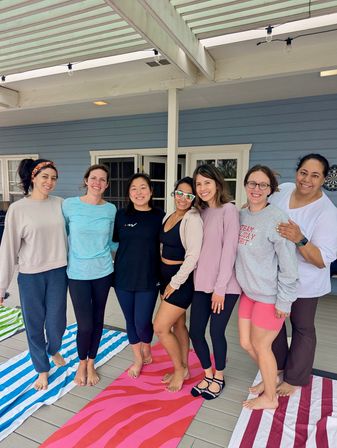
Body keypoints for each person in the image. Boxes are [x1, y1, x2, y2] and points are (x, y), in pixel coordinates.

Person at [270, 153, 337, 396]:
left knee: (301, 327)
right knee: (274, 325)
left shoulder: (327, 212)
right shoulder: (284, 190)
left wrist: (300, 239)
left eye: (315, 175)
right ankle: (277, 366)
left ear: (323, 179)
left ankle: (295, 377)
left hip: (305, 283)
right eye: (303, 172)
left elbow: (321, 260)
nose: (307, 179)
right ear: (297, 172)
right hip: (274, 277)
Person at [0, 159, 68, 390]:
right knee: (34, 324)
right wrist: (1, 287)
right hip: (30, 276)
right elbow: (8, 249)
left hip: (59, 271)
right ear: (33, 177)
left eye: (53, 178)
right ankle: (42, 368)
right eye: (45, 176)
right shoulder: (18, 209)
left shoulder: (61, 204)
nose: (50, 182)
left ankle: (53, 349)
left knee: (57, 322)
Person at [235, 165, 298, 410]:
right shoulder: (242, 214)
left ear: (270, 189)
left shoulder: (277, 219)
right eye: (252, 183)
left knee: (262, 345)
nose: (256, 189)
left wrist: (284, 301)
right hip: (248, 293)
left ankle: (270, 397)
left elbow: (289, 265)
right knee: (246, 343)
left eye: (263, 185)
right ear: (245, 185)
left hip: (270, 296)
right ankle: (270, 377)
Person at [189, 164, 241, 400]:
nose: (202, 188)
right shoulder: (199, 212)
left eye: (207, 183)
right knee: (196, 332)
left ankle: (219, 376)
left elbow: (229, 251)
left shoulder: (228, 210)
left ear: (218, 184)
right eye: (198, 184)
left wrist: (219, 290)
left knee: (216, 332)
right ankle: (207, 373)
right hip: (200, 284)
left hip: (224, 287)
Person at [62, 164, 117, 386]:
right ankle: (81, 362)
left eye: (102, 179)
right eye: (93, 178)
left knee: (98, 320)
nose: (97, 182)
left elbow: (113, 240)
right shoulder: (69, 205)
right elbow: (62, 234)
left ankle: (91, 361)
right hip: (77, 273)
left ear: (107, 184)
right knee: (84, 324)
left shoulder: (110, 209)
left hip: (103, 271)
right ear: (86, 180)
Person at [153, 177, 203, 392]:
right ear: (174, 193)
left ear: (194, 199)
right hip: (165, 275)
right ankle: (185, 368)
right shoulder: (170, 214)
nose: (183, 199)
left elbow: (193, 256)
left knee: (161, 327)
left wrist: (175, 283)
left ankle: (179, 369)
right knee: (178, 325)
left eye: (189, 195)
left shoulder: (193, 219)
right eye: (179, 193)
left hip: (180, 278)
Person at [113, 173, 165, 378]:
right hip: (123, 277)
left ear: (151, 191)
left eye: (143, 187)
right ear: (129, 193)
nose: (138, 192)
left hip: (149, 278)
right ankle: (137, 358)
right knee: (130, 320)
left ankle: (147, 345)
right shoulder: (121, 215)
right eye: (134, 188)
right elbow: (116, 241)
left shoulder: (160, 216)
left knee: (143, 321)